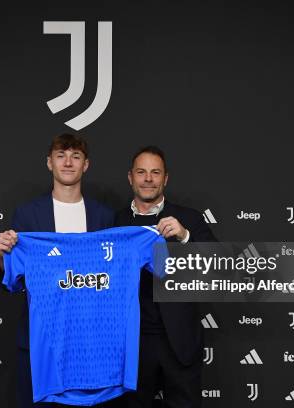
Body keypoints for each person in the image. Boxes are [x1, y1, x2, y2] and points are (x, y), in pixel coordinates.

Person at [0, 133, 114, 408]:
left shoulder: (104, 216)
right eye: (61, 156)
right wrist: (2, 256)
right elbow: (14, 278)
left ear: (86, 165)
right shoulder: (27, 214)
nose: (68, 163)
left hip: (89, 342)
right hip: (42, 340)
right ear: (49, 163)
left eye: (76, 157)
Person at [115, 146, 216, 408]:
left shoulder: (189, 219)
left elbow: (218, 267)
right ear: (130, 177)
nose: (148, 178)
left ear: (165, 178)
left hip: (179, 343)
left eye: (155, 172)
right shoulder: (114, 222)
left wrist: (184, 237)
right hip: (131, 345)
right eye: (141, 172)